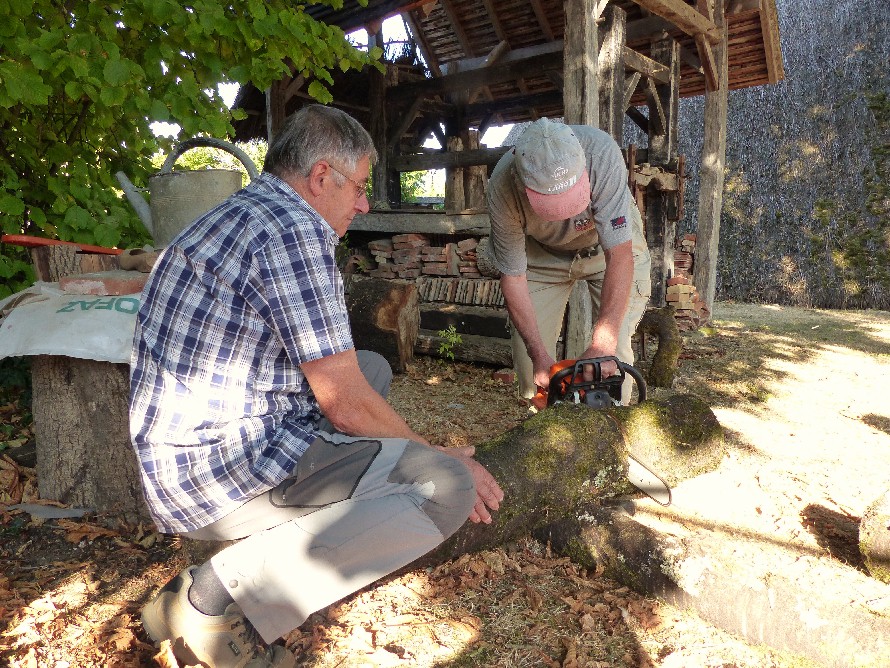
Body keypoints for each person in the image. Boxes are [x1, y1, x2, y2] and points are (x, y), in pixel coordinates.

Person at [129, 104, 504, 668]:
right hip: (214, 475)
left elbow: (347, 381)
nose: (363, 203)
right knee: (442, 487)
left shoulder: (242, 212)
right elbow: (344, 403)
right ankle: (212, 602)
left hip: (177, 456)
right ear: (321, 176)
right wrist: (433, 454)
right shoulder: (293, 232)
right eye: (357, 186)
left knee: (374, 370)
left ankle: (227, 578)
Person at [486, 118, 652, 406]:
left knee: (613, 356)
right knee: (531, 369)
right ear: (521, 179)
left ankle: (613, 427)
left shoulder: (602, 154)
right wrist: (539, 355)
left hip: (606, 248)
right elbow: (513, 277)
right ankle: (549, 436)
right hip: (541, 252)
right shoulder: (502, 188)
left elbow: (620, 255)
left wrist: (602, 344)